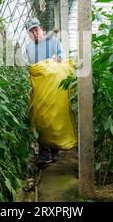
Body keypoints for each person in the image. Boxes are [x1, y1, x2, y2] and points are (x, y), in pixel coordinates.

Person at [24, 18, 64, 168]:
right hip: (39, 87)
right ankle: (44, 151)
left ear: (41, 29)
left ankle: (54, 148)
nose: (35, 33)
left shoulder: (53, 42)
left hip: (53, 85)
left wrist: (56, 59)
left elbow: (61, 56)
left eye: (36, 29)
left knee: (53, 115)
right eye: (31, 31)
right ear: (28, 34)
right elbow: (31, 67)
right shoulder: (28, 47)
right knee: (40, 116)